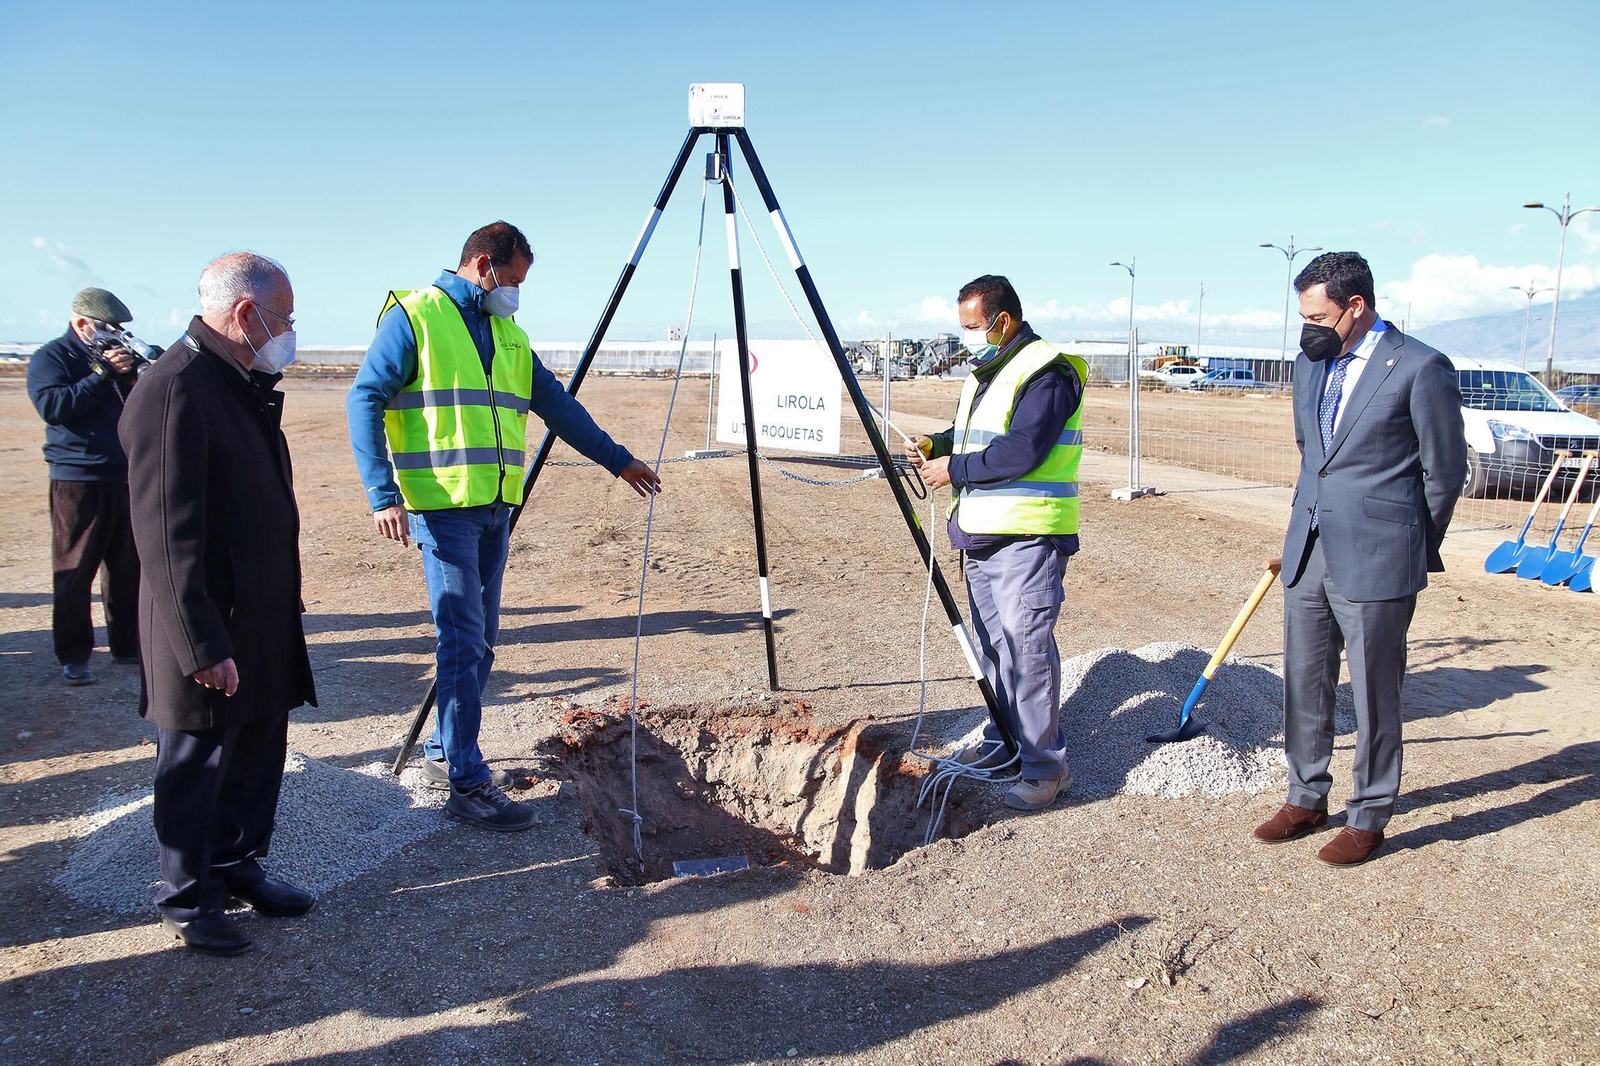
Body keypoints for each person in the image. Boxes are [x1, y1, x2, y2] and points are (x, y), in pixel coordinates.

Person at [347, 221, 661, 832]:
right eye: (513, 280)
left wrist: (618, 459)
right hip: (443, 510)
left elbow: (559, 406)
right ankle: (466, 781)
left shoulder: (508, 334)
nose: (516, 293)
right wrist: (381, 494)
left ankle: (444, 751)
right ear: (483, 264)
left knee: (481, 642)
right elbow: (365, 397)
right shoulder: (414, 318)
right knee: (463, 642)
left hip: (495, 510)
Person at [120, 253, 318, 955]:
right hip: (210, 620)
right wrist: (200, 643)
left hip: (258, 612)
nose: (289, 331)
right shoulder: (175, 388)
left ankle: (238, 865)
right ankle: (186, 896)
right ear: (244, 314)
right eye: (284, 318)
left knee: (260, 744)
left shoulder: (239, 380)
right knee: (198, 761)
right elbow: (165, 535)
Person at [1254, 251, 1466, 867]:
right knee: (1304, 681)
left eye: (1318, 315)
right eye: (1302, 316)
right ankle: (1305, 795)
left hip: (1380, 556)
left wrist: (1408, 548)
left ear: (1356, 306)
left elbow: (1444, 471)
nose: (1307, 328)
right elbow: (1309, 450)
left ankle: (1370, 813)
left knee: (1375, 693)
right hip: (1310, 550)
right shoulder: (1311, 363)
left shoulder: (1421, 367)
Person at [905, 275, 1087, 811]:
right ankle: (1006, 743)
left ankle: (1045, 769)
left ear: (1002, 320)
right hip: (981, 534)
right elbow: (979, 436)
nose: (966, 339)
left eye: (972, 328)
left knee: (1026, 650)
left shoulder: (1046, 373)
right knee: (994, 649)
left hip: (1028, 537)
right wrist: (937, 443)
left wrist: (953, 468)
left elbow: (1021, 450)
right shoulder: (990, 372)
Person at [26, 288, 145, 685]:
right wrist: (100, 375)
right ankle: (74, 656)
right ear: (82, 323)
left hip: (123, 475)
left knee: (127, 568)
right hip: (77, 479)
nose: (115, 335)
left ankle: (127, 645)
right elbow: (53, 407)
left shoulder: (116, 359)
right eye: (108, 327)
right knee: (76, 570)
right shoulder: (52, 358)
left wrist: (131, 376)